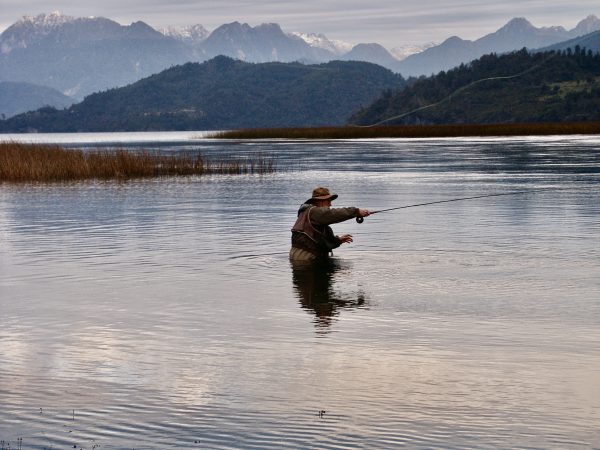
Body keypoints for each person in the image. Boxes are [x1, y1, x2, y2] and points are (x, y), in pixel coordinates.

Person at [290, 187, 370, 261]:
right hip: (304, 258)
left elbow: (322, 239)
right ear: (320, 201)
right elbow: (334, 214)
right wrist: (356, 211)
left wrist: (338, 240)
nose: (330, 204)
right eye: (328, 201)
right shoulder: (314, 212)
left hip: (305, 256)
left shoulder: (313, 214)